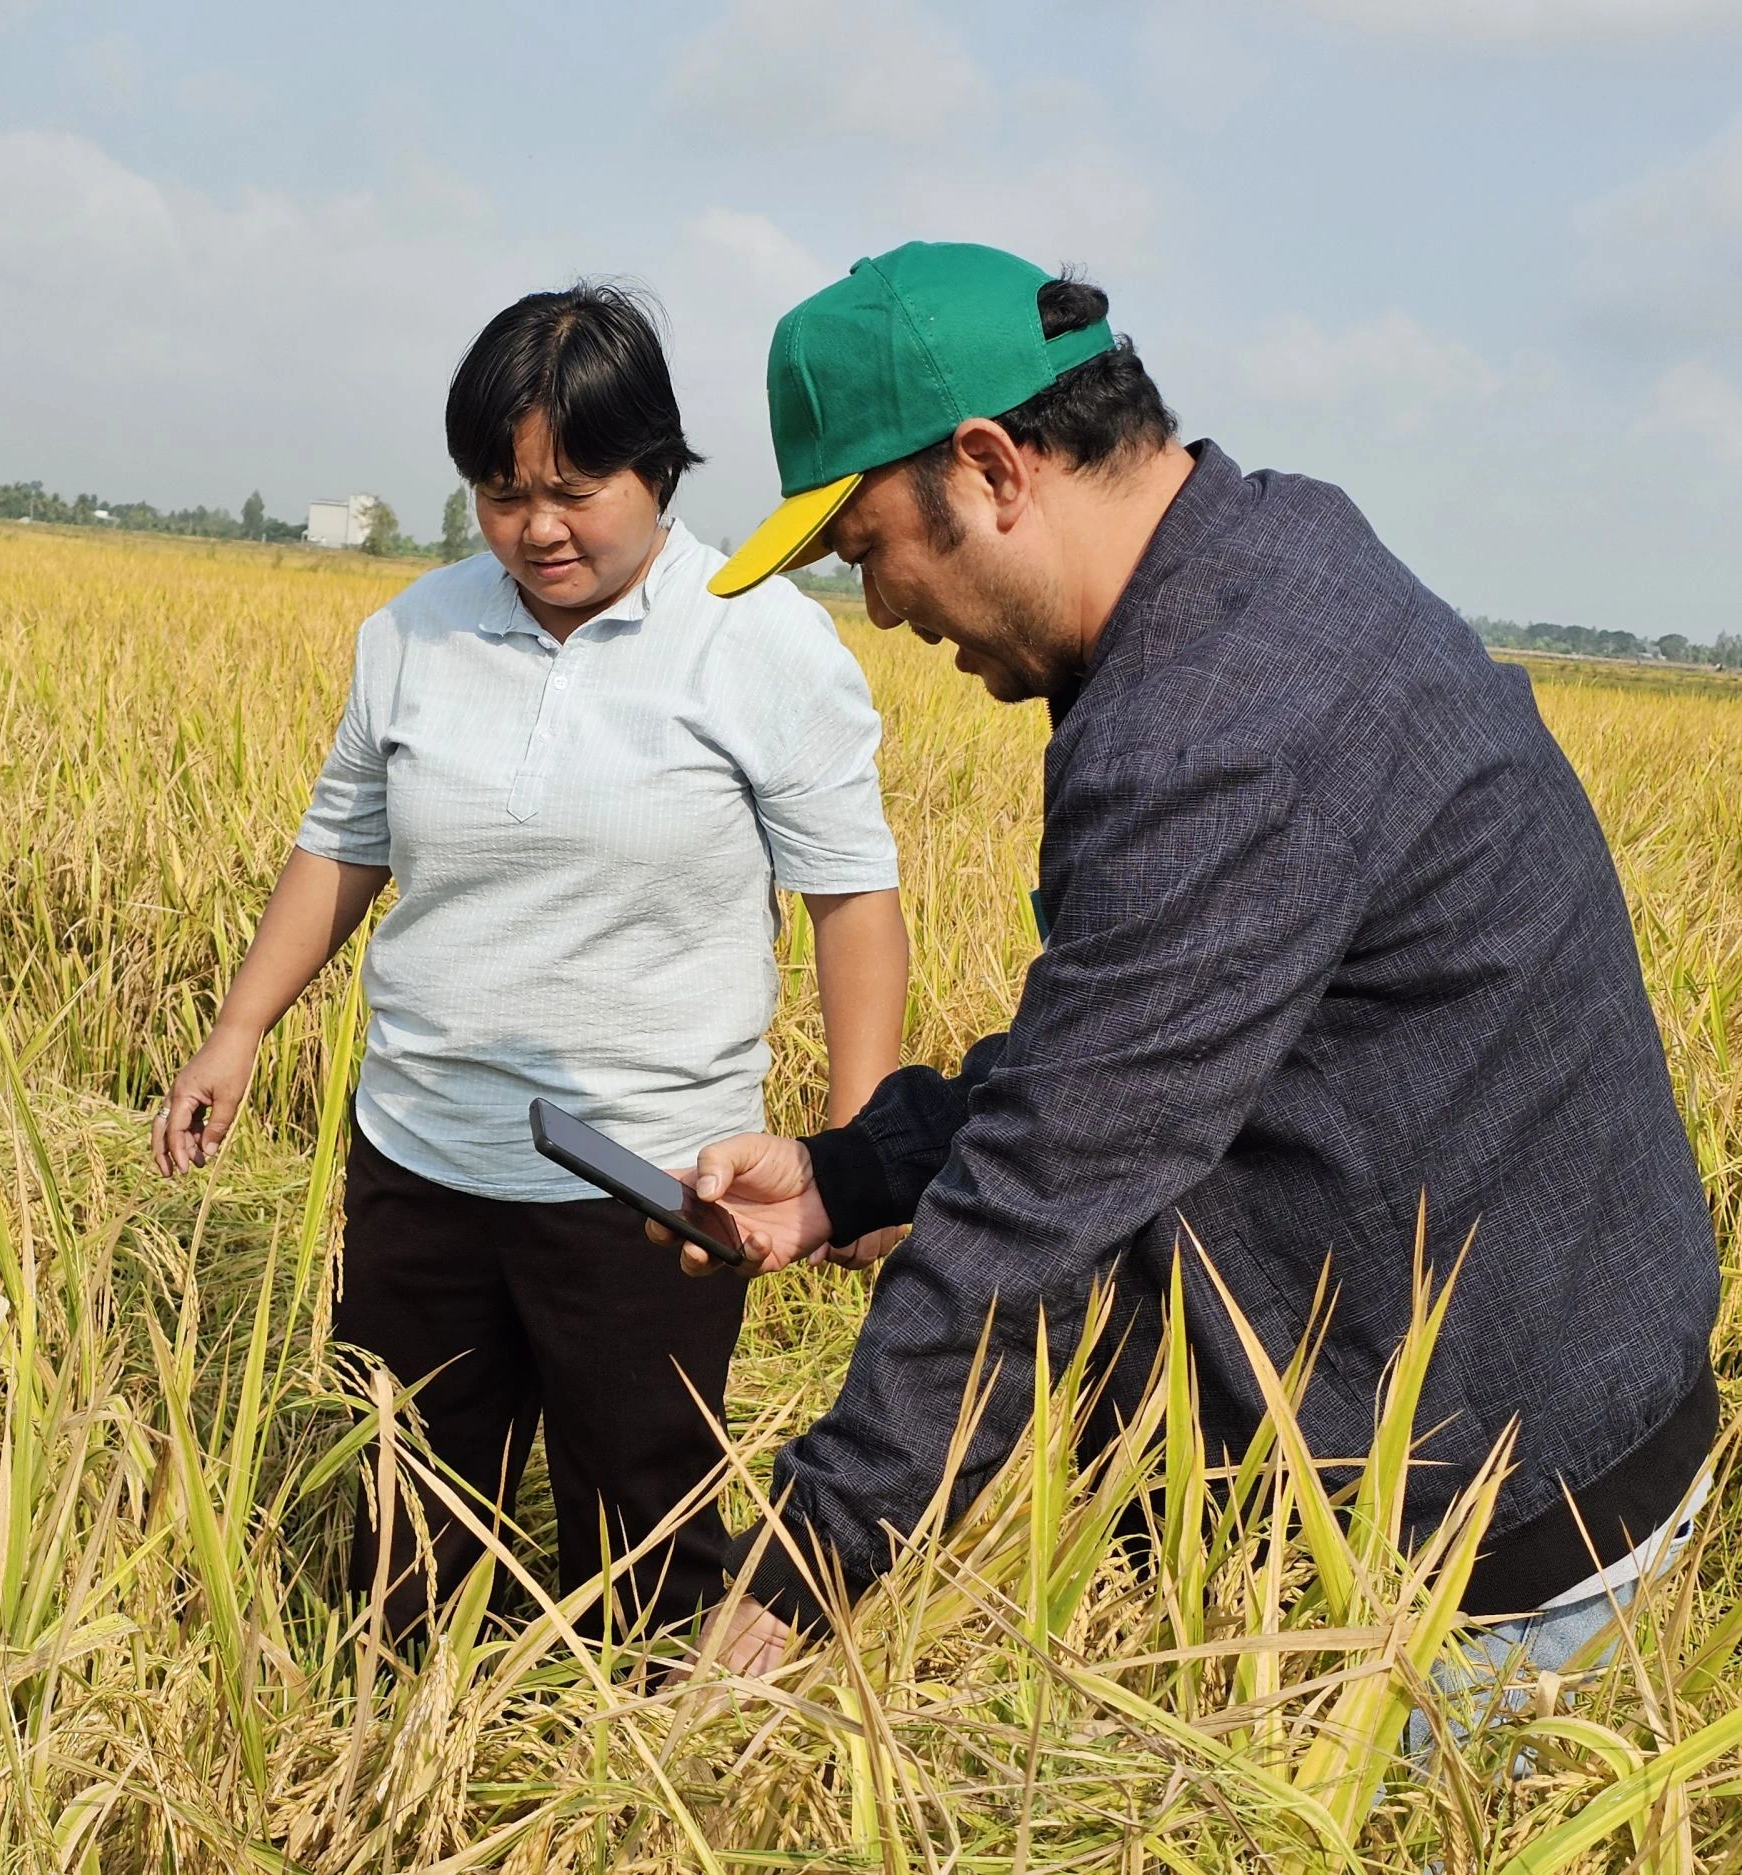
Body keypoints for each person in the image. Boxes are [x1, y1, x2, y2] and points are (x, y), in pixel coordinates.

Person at [673, 241, 1721, 1680]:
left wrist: (808, 1558)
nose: (888, 614)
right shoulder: (1265, 551)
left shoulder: (1218, 729)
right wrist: (853, 1169)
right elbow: (1128, 1046)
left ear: (990, 468)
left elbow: (1042, 1202)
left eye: (866, 554)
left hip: (1488, 1545)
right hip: (1551, 1414)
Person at [153, 282, 909, 1639]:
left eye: (577, 486)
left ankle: (639, 1799)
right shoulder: (416, 631)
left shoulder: (763, 642)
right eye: (503, 492)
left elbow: (851, 899)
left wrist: (855, 1150)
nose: (538, 527)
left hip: (644, 1179)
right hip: (423, 1152)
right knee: (407, 1524)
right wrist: (239, 1029)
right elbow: (342, 848)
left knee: (645, 1533)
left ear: (659, 468)